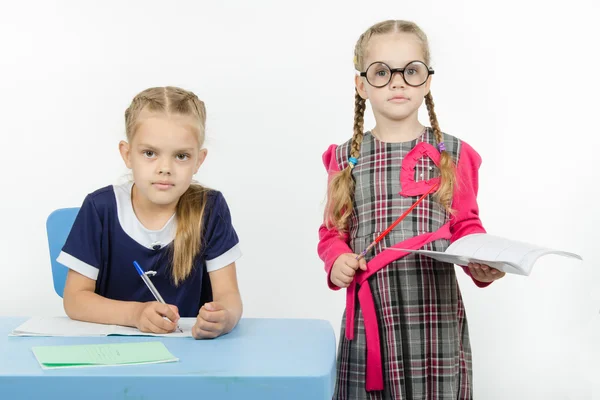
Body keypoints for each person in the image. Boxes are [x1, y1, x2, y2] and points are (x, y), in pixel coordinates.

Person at [317, 20, 505, 399]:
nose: (398, 82)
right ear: (362, 85)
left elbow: (467, 226)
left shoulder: (454, 154)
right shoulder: (345, 158)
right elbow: (332, 232)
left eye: (411, 71)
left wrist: (481, 263)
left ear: (427, 81)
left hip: (433, 316)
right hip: (374, 315)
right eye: (382, 72)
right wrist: (337, 259)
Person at [59, 86, 242, 339]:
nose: (165, 168)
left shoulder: (210, 209)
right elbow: (75, 300)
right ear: (127, 154)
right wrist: (135, 315)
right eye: (149, 153)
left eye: (181, 156)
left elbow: (229, 296)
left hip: (190, 355)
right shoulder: (100, 208)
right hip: (112, 353)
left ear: (198, 160)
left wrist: (225, 318)